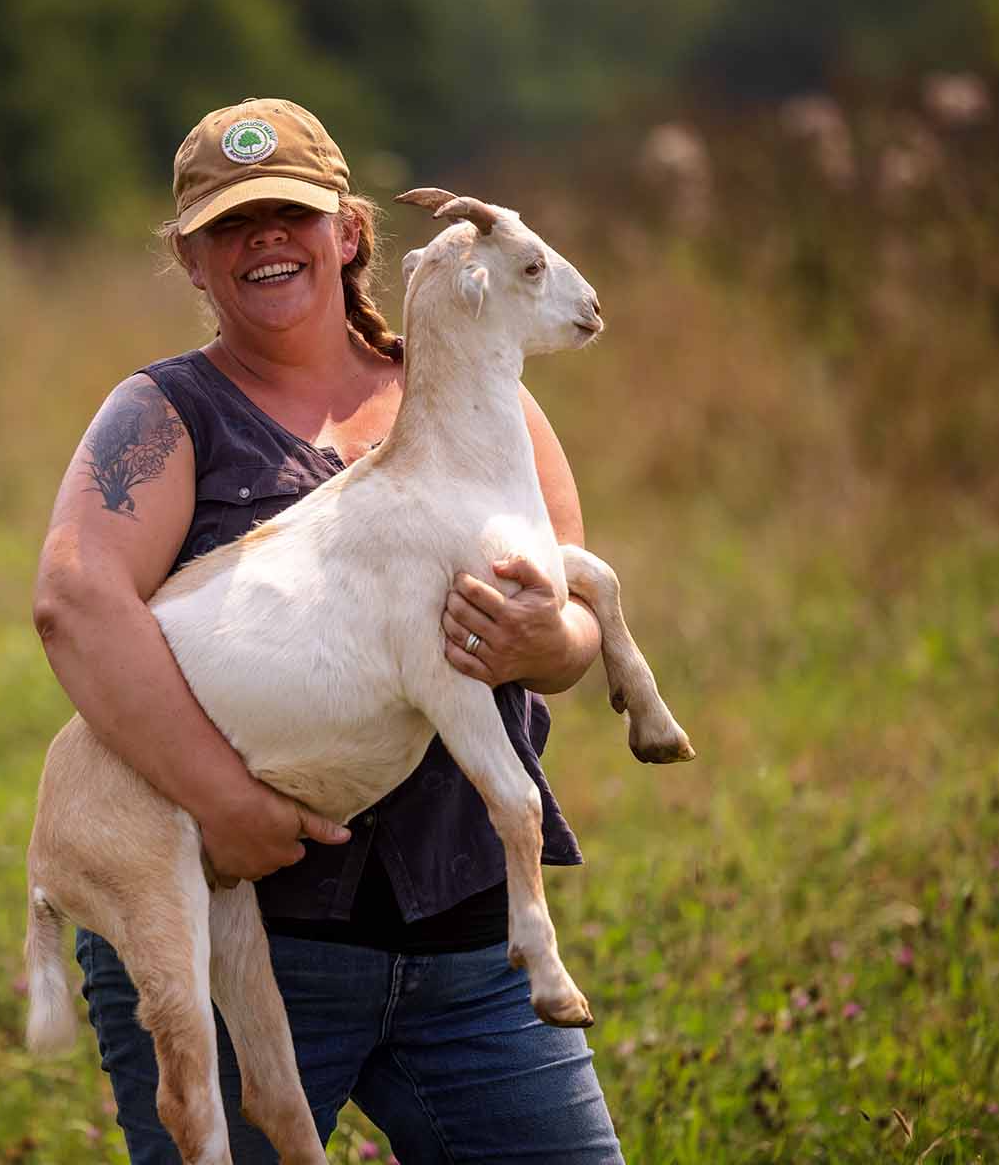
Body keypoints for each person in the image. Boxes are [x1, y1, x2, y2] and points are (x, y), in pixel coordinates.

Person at [32, 97, 624, 1164]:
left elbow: (573, 627)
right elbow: (75, 603)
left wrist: (553, 645)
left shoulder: (474, 388)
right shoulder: (168, 414)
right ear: (192, 262)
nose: (262, 239)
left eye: (290, 214)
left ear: (348, 233)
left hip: (469, 947)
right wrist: (221, 802)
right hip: (252, 945)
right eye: (227, 226)